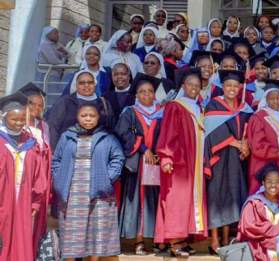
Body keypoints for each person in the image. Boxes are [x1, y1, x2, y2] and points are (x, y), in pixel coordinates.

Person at [52, 104, 125, 260]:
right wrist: (59, 179)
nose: (88, 119)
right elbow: (56, 160)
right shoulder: (67, 136)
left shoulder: (107, 136)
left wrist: (108, 178)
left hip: (99, 190)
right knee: (71, 230)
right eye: (84, 115)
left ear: (98, 118)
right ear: (78, 117)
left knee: (96, 229)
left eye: (92, 116)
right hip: (72, 191)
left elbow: (118, 158)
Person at [154, 70, 209, 256]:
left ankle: (183, 238)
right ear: (183, 86)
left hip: (194, 163)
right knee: (176, 200)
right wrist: (166, 157)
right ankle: (175, 242)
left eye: (197, 85)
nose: (194, 88)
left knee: (187, 200)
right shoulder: (175, 106)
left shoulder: (198, 108)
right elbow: (168, 133)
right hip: (179, 163)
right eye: (190, 84)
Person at [113, 74, 164, 255]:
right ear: (136, 95)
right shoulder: (130, 113)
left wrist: (158, 151)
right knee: (138, 202)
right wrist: (143, 148)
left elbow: (167, 134)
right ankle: (139, 241)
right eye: (142, 92)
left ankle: (158, 240)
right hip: (137, 166)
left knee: (156, 202)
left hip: (158, 164)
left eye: (150, 91)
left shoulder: (162, 112)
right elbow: (123, 134)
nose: (146, 95)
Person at [202, 70, 252, 252]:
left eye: (235, 86)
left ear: (240, 87)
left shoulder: (244, 107)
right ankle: (214, 240)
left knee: (233, 195)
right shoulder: (214, 105)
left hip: (237, 160)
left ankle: (226, 238)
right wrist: (236, 143)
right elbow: (212, 132)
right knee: (217, 196)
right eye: (228, 85)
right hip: (219, 158)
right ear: (222, 87)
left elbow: (249, 128)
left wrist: (246, 145)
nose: (232, 89)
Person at [0, 93, 51, 261]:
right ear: (5, 118)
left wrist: (36, 200)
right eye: (14, 119)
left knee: (22, 238)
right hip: (2, 200)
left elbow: (39, 175)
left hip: (24, 200)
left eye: (22, 119)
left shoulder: (31, 142)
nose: (19, 123)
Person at [246, 81, 279, 199]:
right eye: (271, 98)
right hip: (266, 164)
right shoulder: (259, 117)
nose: (275, 101)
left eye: (278, 98)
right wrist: (277, 153)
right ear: (266, 99)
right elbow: (257, 146)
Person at [46, 70, 115, 148]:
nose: (86, 85)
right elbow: (53, 127)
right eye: (82, 83)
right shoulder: (65, 102)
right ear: (76, 85)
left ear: (95, 84)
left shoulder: (104, 103)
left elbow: (111, 129)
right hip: (69, 152)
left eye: (90, 82)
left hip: (97, 152)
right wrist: (55, 151)